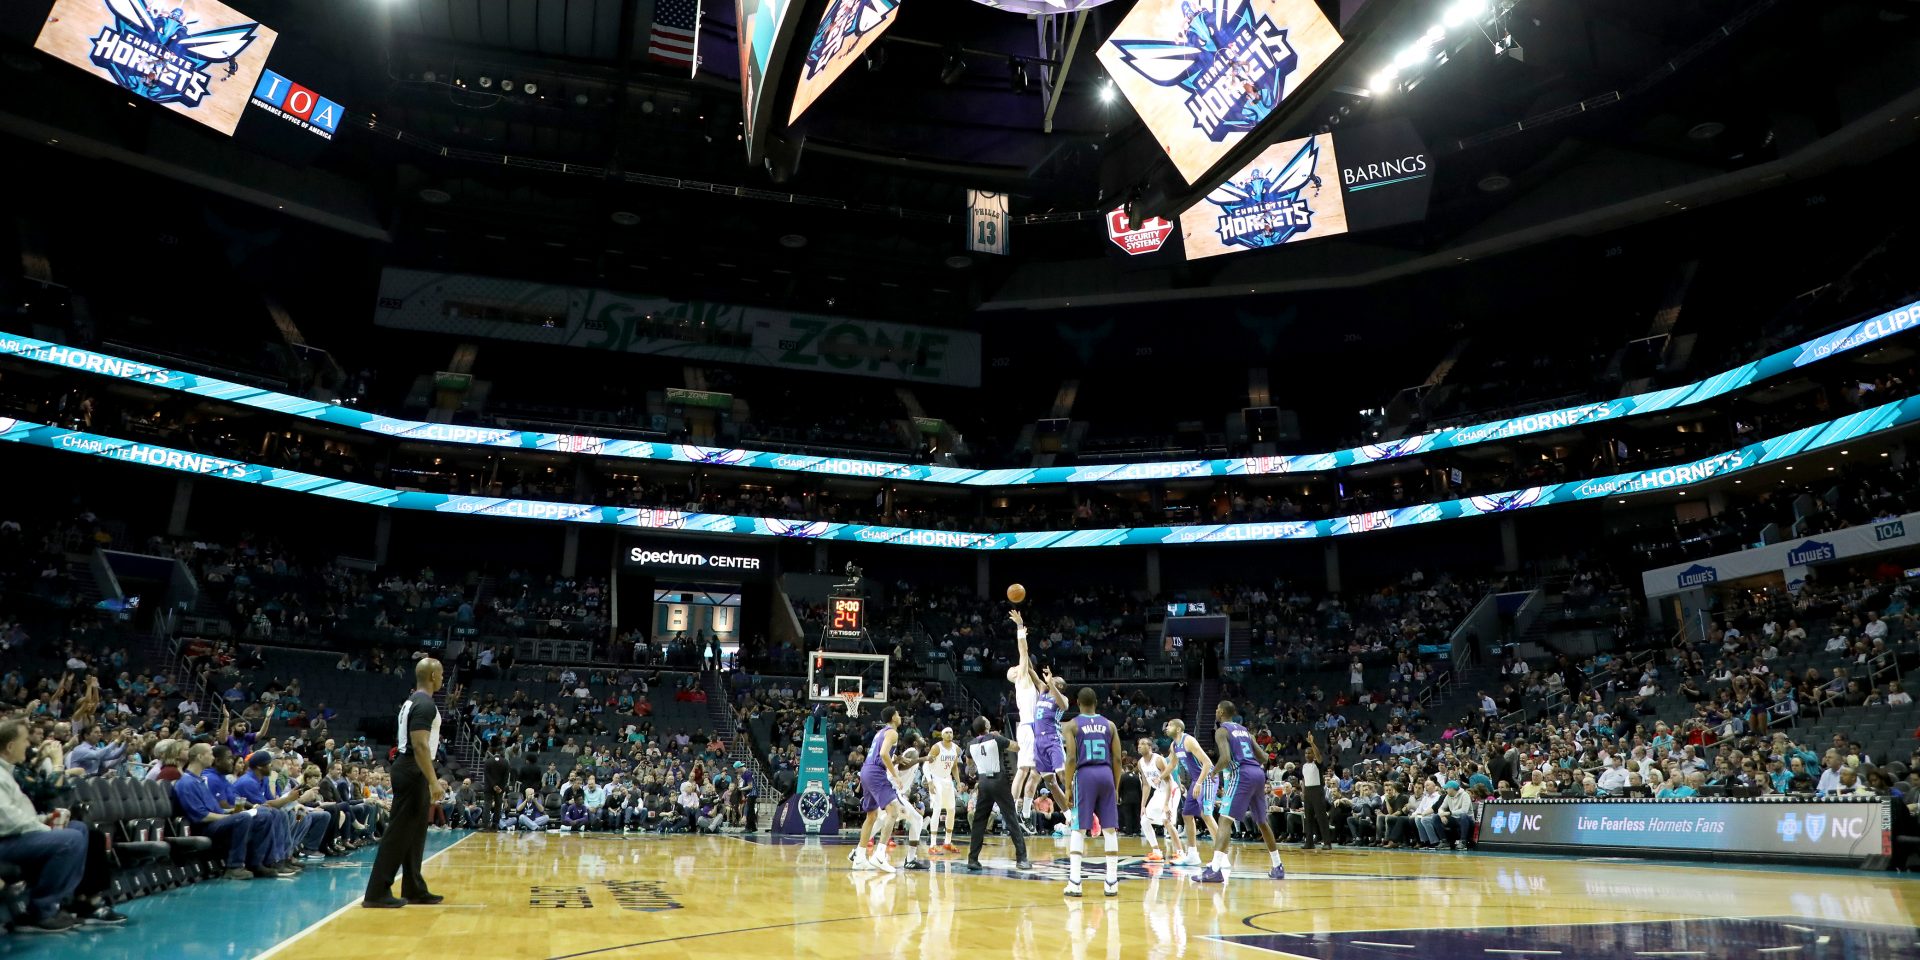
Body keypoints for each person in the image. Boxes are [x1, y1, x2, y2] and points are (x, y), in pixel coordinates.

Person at [363, 657, 446, 908]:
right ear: (432, 676)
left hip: (410, 766)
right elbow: (420, 744)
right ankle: (377, 892)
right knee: (398, 833)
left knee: (415, 832)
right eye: (441, 674)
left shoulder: (413, 700)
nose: (442, 679)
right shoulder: (424, 703)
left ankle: (413, 887)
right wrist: (433, 781)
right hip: (413, 768)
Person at [0, 719, 89, 933]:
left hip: (15, 835)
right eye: (24, 740)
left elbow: (18, 814)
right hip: (5, 842)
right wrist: (46, 829)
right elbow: (6, 818)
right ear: (11, 746)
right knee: (70, 838)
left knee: (79, 829)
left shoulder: (8, 771)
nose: (29, 744)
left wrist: (45, 819)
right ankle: (42, 911)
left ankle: (60, 902)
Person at [1194, 701, 1285, 883]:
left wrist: (1213, 772)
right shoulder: (1245, 731)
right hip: (1258, 774)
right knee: (1262, 821)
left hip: (1241, 774)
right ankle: (1278, 866)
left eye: (1217, 709)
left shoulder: (1222, 731)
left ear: (1220, 712)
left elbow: (1226, 759)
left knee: (1224, 819)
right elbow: (1264, 757)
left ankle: (1215, 868)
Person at [1059, 687, 1121, 897]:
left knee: (1079, 829)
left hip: (1085, 775)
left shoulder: (1072, 725)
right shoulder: (1110, 725)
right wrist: (1116, 785)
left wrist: (1067, 787)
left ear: (1077, 702)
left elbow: (1070, 759)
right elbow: (1118, 759)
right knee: (1110, 829)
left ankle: (1075, 882)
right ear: (1097, 702)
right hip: (1105, 773)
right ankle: (1111, 882)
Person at [850, 706, 926, 872]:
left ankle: (860, 858)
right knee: (892, 811)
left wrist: (895, 758)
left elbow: (880, 753)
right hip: (877, 773)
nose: (900, 716)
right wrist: (896, 775)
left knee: (872, 816)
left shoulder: (880, 732)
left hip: (866, 771)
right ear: (893, 717)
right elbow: (883, 754)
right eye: (898, 713)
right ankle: (879, 855)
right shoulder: (892, 732)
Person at [963, 715, 1030, 871]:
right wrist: (1001, 737)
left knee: (979, 822)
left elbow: (969, 765)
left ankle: (972, 859)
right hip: (998, 781)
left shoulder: (970, 744)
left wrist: (975, 769)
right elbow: (1016, 747)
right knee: (1011, 818)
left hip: (984, 782)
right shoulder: (995, 738)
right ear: (987, 725)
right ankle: (1022, 859)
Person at [1164, 718, 1216, 867]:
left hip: (1206, 778)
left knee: (1206, 815)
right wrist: (1160, 777)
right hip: (1195, 780)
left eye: (1170, 725)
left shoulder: (1189, 741)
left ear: (1179, 729)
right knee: (1186, 815)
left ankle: (1221, 856)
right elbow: (1172, 764)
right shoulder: (1174, 745)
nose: (1167, 728)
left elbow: (1208, 763)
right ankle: (1193, 855)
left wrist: (1199, 783)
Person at [1007, 611, 1043, 818]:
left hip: (1039, 728)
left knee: (1038, 772)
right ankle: (1012, 811)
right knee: (1023, 770)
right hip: (1028, 727)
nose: (1018, 667)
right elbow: (1023, 652)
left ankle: (1027, 814)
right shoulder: (1021, 678)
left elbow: (1026, 658)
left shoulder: (1034, 681)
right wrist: (1020, 628)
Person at [1135, 737, 1185, 864]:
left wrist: (1167, 804)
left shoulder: (1158, 760)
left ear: (1150, 747)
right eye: (1139, 744)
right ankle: (1156, 852)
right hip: (1158, 792)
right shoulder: (1140, 763)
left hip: (1171, 790)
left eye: (1143, 744)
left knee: (1166, 821)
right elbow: (1146, 785)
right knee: (1144, 820)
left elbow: (1168, 781)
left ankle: (1180, 853)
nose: (1139, 746)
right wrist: (1143, 806)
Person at [925, 728, 961, 852]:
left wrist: (958, 782)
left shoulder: (956, 748)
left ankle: (947, 842)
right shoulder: (936, 747)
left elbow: (954, 766)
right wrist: (929, 782)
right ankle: (932, 844)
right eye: (946, 732)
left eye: (951, 732)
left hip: (948, 780)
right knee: (937, 810)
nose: (949, 734)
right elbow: (926, 764)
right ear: (942, 735)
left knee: (951, 810)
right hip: (936, 779)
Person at [1299, 737, 1332, 850]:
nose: (1307, 755)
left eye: (1310, 753)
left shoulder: (1317, 764)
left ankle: (1327, 842)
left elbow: (1319, 756)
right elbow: (1304, 779)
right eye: (1306, 753)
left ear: (1313, 754)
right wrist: (1303, 792)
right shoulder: (1304, 766)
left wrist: (1312, 743)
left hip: (1317, 791)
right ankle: (1309, 842)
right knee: (1308, 818)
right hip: (1308, 792)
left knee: (1321, 817)